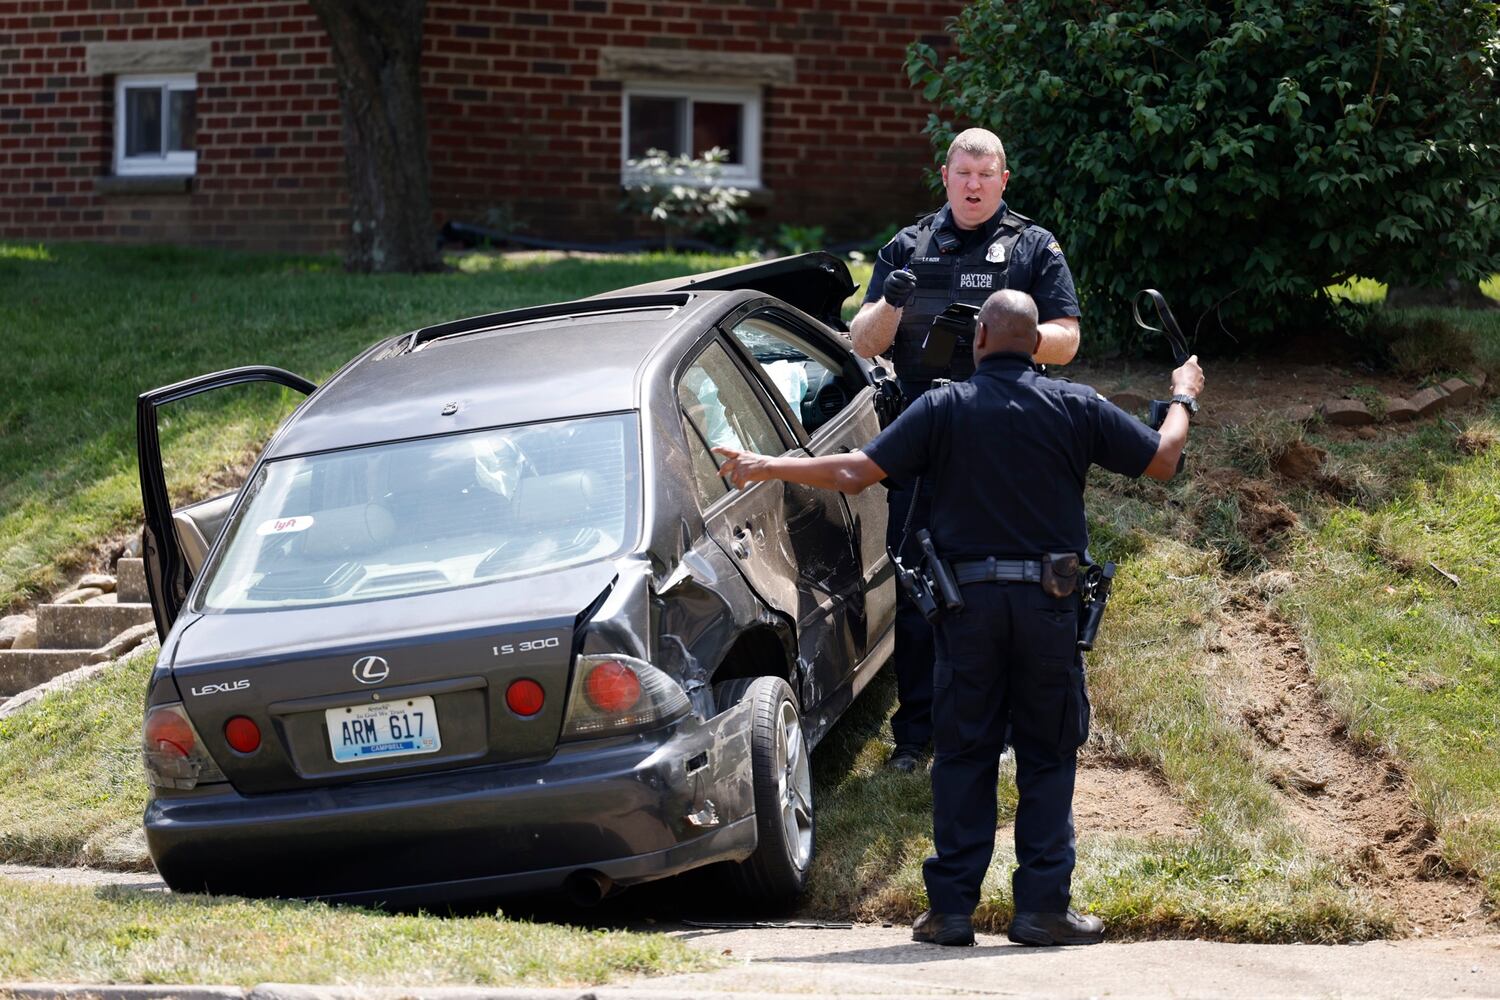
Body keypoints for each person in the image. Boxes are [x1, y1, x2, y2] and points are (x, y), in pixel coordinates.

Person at [714, 289, 1204, 948]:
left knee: (963, 754)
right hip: (1048, 608)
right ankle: (1042, 910)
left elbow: (857, 472)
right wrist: (1183, 396)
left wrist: (766, 464)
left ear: (977, 342)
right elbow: (1164, 458)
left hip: (964, 609)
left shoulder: (942, 407)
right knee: (1048, 753)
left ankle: (950, 913)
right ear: (1037, 346)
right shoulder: (1076, 405)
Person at [849, 127, 1082, 773]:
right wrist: (894, 301)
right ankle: (915, 734)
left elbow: (1066, 340)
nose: (974, 185)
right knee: (919, 585)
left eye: (986, 174)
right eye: (963, 173)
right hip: (926, 436)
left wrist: (1008, 332)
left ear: (1003, 180)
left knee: (1008, 587)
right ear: (945, 176)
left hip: (1008, 434)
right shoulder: (908, 246)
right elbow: (863, 341)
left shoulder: (1034, 246)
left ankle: (1008, 728)